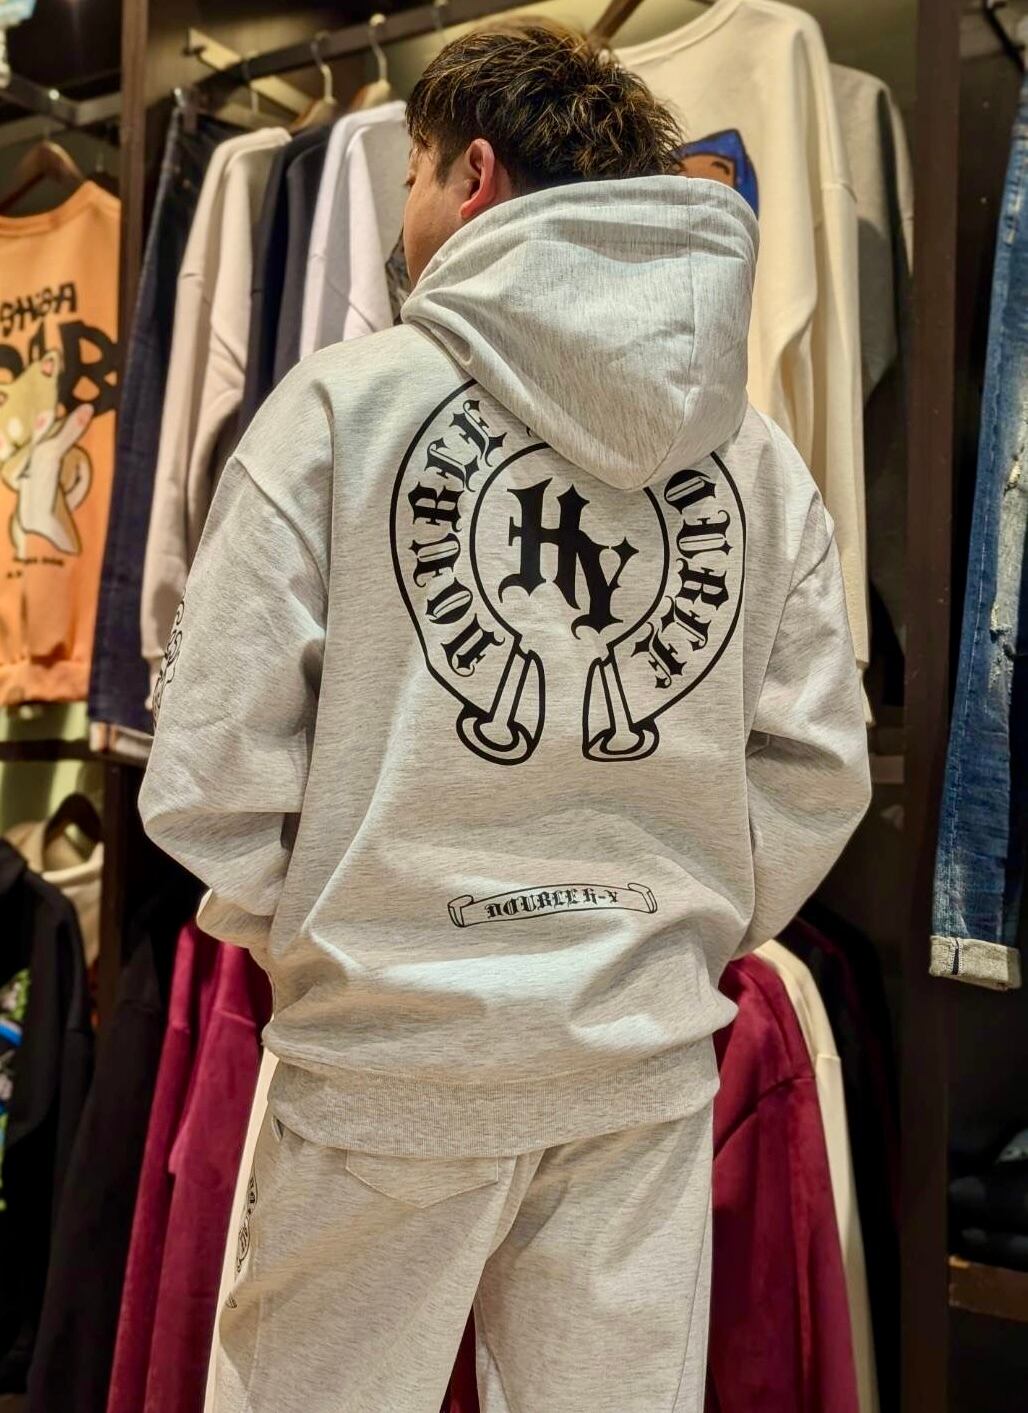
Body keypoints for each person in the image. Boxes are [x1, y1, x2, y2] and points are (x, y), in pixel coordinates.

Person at [139, 20, 871, 1413]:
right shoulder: (756, 457)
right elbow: (819, 764)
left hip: (382, 1074)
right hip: (637, 1073)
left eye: (410, 177)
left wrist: (349, 937)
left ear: (472, 174)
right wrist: (663, 932)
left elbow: (210, 773)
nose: (402, 221)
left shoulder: (340, 410)